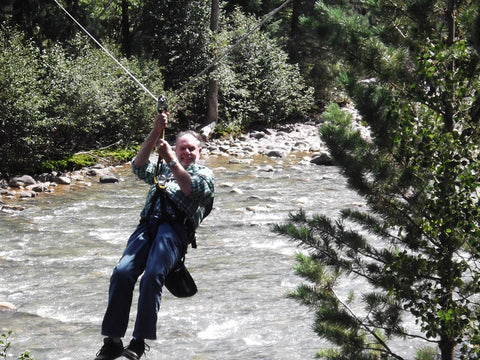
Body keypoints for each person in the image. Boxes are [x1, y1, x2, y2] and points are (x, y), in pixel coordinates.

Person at [94, 112, 215, 360]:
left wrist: (170, 158)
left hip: (173, 232)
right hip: (147, 227)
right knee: (122, 272)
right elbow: (138, 166)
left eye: (191, 149)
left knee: (152, 276)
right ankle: (113, 340)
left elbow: (189, 187)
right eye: (182, 149)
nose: (186, 153)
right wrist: (154, 132)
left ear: (199, 151)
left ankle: (139, 341)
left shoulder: (204, 175)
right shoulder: (162, 170)